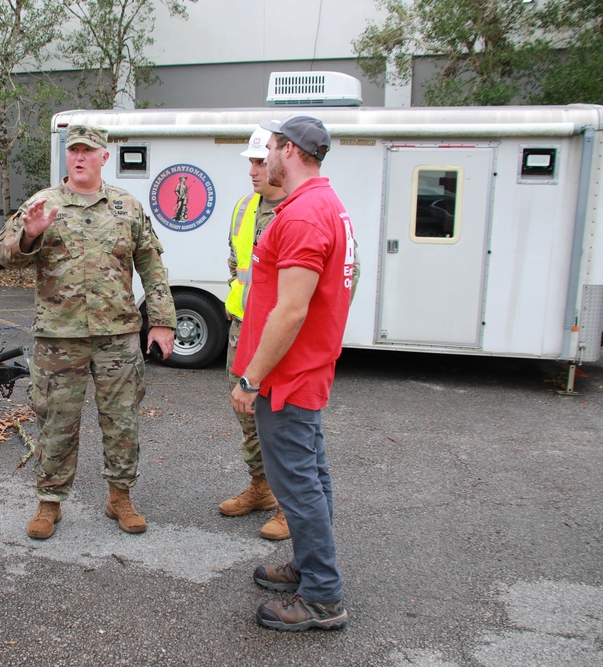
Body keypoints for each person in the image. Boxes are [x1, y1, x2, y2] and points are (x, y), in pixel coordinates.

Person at [0, 124, 176, 540]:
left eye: (88, 151)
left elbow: (151, 264)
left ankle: (120, 496)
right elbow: (4, 255)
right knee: (55, 420)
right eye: (73, 150)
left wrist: (163, 321)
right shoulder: (43, 203)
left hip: (118, 335)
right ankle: (49, 502)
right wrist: (30, 234)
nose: (79, 157)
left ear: (103, 158)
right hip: (59, 337)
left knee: (121, 419)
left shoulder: (127, 207)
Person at [230, 115, 355, 632]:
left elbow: (292, 310)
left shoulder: (303, 215)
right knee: (312, 477)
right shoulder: (324, 205)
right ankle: (308, 568)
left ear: (288, 150)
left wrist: (251, 378)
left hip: (287, 377)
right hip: (304, 370)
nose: (266, 157)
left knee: (297, 485)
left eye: (271, 148)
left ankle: (323, 597)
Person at [220, 125, 291, 541]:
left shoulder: (298, 209)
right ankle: (261, 490)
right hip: (243, 330)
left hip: (279, 334)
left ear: (280, 161)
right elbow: (236, 264)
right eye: (251, 162)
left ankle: (288, 504)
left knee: (281, 420)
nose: (253, 170)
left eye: (261, 161)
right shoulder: (245, 207)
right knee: (245, 414)